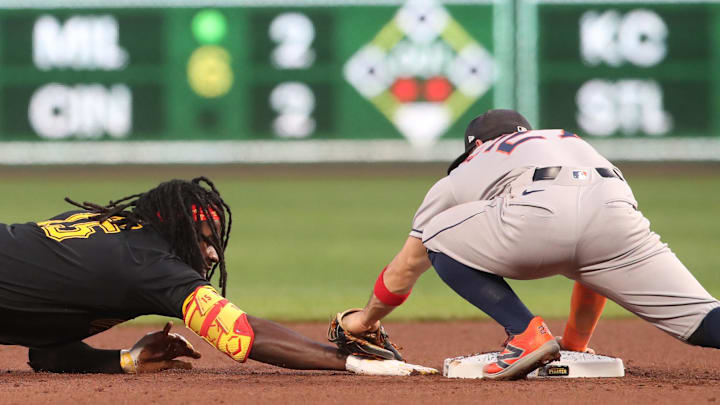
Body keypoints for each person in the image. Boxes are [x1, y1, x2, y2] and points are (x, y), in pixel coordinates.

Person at [332, 109, 720, 380]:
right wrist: (574, 346)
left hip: (537, 217)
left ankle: (524, 332)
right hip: (616, 214)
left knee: (436, 232)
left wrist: (364, 321)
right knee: (703, 321)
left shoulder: (475, 160)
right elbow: (594, 269)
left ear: (475, 144)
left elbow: (406, 267)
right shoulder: (571, 142)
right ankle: (559, 341)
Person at [0, 177, 435, 376]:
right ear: (172, 231)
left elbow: (48, 354)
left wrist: (127, 361)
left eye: (215, 240)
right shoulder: (152, 266)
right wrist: (349, 360)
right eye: (202, 239)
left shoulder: (106, 233)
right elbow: (240, 334)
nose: (211, 251)